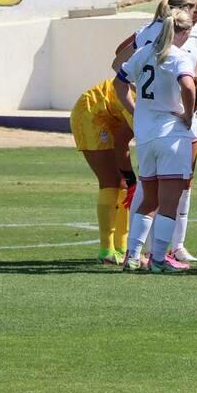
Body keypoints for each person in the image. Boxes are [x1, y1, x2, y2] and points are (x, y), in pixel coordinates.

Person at [111, 0, 197, 268]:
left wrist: (135, 109)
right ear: (183, 30)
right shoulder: (177, 56)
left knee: (148, 196)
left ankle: (132, 255)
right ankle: (159, 258)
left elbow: (118, 84)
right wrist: (188, 115)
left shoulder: (144, 53)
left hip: (146, 134)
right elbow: (189, 87)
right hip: (171, 134)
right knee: (169, 200)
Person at [69, 78, 136, 265]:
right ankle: (107, 250)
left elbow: (124, 139)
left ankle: (122, 248)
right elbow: (122, 142)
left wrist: (131, 178)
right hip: (90, 114)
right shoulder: (142, 105)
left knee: (123, 183)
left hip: (110, 116)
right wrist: (133, 178)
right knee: (111, 181)